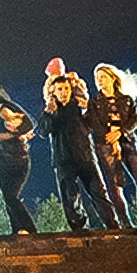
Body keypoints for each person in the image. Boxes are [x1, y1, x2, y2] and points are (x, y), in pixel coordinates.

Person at [38, 72, 118, 230]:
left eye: (66, 88)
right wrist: (49, 112)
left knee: (99, 193)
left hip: (85, 157)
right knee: (70, 197)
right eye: (59, 89)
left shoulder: (79, 106)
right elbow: (42, 131)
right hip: (63, 159)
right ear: (53, 92)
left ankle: (113, 227)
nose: (63, 92)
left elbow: (96, 125)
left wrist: (88, 109)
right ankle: (80, 230)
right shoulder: (52, 110)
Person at [88, 64, 137, 228]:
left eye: (103, 76)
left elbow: (134, 120)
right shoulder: (95, 102)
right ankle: (126, 223)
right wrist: (110, 137)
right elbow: (94, 123)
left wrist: (121, 132)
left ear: (112, 77)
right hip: (105, 144)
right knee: (114, 183)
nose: (99, 80)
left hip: (128, 142)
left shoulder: (126, 99)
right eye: (97, 78)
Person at [0, 81, 39, 235]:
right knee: (8, 198)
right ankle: (17, 229)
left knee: (11, 196)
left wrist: (12, 134)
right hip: (2, 162)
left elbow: (29, 124)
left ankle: (29, 228)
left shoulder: (7, 108)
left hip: (17, 157)